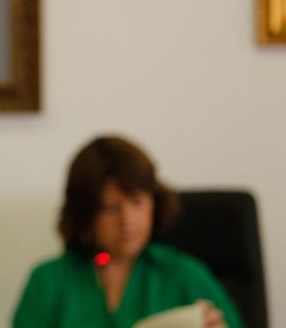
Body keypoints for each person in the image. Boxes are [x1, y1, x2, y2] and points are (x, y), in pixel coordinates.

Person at [13, 136, 243, 328]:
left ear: (154, 203)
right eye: (110, 208)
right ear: (85, 214)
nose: (127, 221)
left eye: (137, 202)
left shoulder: (185, 275)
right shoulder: (48, 281)